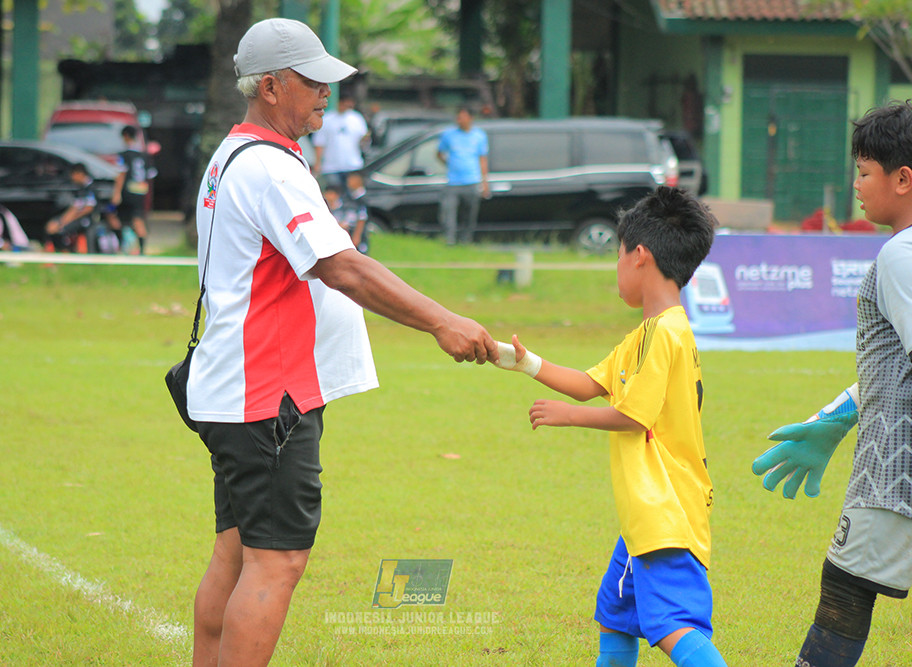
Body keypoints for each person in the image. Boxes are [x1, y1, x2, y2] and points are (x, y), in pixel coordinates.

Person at [186, 17, 498, 667]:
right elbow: (344, 266)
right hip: (268, 395)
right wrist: (442, 320)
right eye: (313, 81)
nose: (328, 93)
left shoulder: (235, 153)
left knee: (237, 551)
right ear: (270, 87)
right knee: (276, 561)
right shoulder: (270, 167)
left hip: (237, 389)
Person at [491, 186, 727, 667]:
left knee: (671, 629)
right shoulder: (645, 334)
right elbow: (587, 383)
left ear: (639, 256)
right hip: (646, 512)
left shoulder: (667, 334)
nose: (615, 269)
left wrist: (566, 417)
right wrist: (524, 362)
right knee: (616, 613)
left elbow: (634, 416)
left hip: (667, 511)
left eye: (616, 256)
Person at [751, 101, 912, 667]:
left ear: (902, 178)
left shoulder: (901, 254)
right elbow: (896, 368)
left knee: (845, 587)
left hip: (895, 475)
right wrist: (837, 418)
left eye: (865, 171)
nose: (856, 184)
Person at [436, 106, 489, 245]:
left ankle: (466, 240)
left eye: (462, 117)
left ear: (470, 118)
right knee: (449, 212)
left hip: (471, 180)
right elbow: (439, 154)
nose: (459, 120)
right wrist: (449, 164)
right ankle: (450, 240)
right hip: (453, 182)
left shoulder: (479, 136)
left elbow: (482, 159)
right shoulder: (448, 135)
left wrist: (484, 182)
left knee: (469, 214)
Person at [108, 124, 152, 254]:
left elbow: (121, 174)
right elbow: (149, 175)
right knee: (137, 218)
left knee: (112, 214)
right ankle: (142, 250)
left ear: (126, 136)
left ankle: (122, 245)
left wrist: (116, 193)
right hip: (140, 191)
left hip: (127, 191)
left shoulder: (123, 155)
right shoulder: (145, 155)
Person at [311, 92, 368, 187]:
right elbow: (319, 143)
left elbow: (363, 141)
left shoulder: (356, 118)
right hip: (331, 167)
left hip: (352, 165)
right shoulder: (327, 119)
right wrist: (318, 163)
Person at [44, 162, 98, 253]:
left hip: (87, 220)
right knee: (51, 225)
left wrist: (65, 222)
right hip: (76, 217)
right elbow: (74, 207)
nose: (72, 178)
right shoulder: (80, 188)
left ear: (79, 173)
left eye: (73, 175)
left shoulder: (90, 188)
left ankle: (66, 253)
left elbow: (88, 209)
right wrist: (61, 221)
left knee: (60, 230)